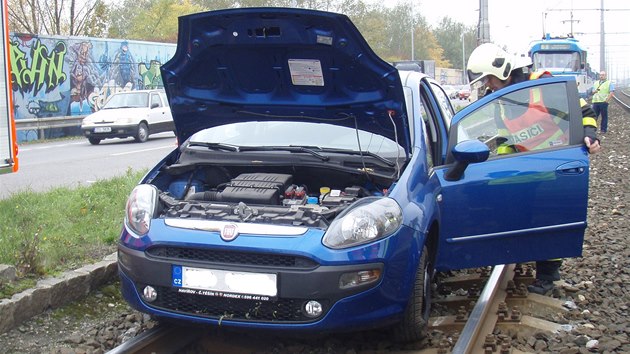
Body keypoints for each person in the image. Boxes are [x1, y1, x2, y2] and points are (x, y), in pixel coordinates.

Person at [466, 43, 601, 295]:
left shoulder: (543, 86)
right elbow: (507, 141)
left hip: (557, 163)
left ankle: (547, 277)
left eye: (490, 79)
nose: (489, 86)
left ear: (504, 71)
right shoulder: (501, 102)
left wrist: (590, 134)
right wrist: (502, 172)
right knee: (528, 218)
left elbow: (584, 111)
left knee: (548, 218)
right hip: (528, 169)